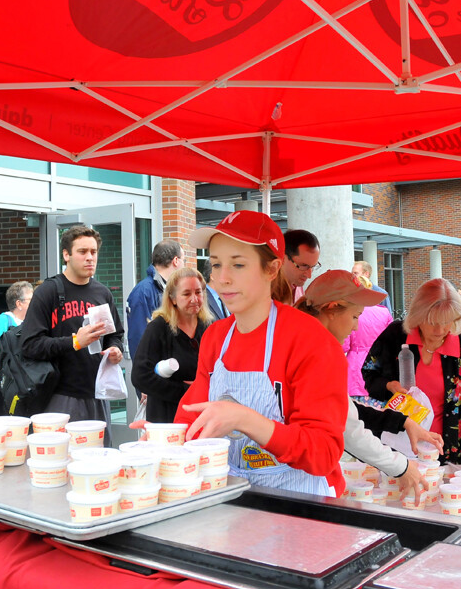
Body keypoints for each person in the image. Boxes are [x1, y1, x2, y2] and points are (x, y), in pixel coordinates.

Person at [139, 211, 347, 497]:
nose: (222, 279)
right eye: (215, 264)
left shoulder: (310, 339)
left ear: (272, 269)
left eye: (237, 265)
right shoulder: (215, 337)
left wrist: (244, 420)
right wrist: (165, 439)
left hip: (302, 504)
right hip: (233, 498)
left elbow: (322, 452)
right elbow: (193, 418)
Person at [296, 270, 428, 501]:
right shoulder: (318, 353)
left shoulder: (303, 340)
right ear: (332, 309)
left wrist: (401, 421)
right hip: (298, 477)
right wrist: (401, 467)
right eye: (355, 316)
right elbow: (348, 428)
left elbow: (346, 409)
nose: (356, 328)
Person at [362, 278, 461, 466]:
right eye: (432, 322)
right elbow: (369, 373)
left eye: (447, 322)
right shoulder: (395, 336)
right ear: (418, 315)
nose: (440, 330)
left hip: (448, 451)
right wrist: (388, 386)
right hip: (397, 447)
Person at [21, 226, 124, 446]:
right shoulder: (47, 292)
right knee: (65, 461)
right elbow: (30, 345)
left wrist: (116, 350)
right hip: (61, 396)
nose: (89, 258)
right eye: (82, 251)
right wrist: (75, 342)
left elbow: (115, 335)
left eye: (94, 252)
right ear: (66, 255)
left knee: (98, 461)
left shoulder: (102, 292)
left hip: (97, 395)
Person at [131, 268, 212, 423]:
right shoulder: (158, 328)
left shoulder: (209, 327)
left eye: (198, 292)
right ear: (173, 298)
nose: (194, 299)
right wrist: (185, 391)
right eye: (187, 294)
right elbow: (140, 376)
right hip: (167, 420)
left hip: (201, 417)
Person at [0, 281, 33, 416]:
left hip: (21, 384)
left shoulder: (30, 322)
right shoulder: (0, 322)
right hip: (1, 386)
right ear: (19, 304)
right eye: (31, 300)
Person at [126, 240, 183, 356]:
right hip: (155, 370)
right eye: (184, 260)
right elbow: (139, 339)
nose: (184, 265)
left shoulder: (171, 289)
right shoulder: (143, 292)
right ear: (176, 261)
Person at [343, 274, 393, 406]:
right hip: (380, 366)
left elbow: (345, 345)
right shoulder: (384, 312)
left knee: (359, 416)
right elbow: (391, 341)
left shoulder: (351, 313)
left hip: (356, 368)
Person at [283, 229, 321, 302]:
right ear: (283, 258)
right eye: (304, 266)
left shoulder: (297, 284)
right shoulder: (264, 293)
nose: (309, 275)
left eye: (313, 267)